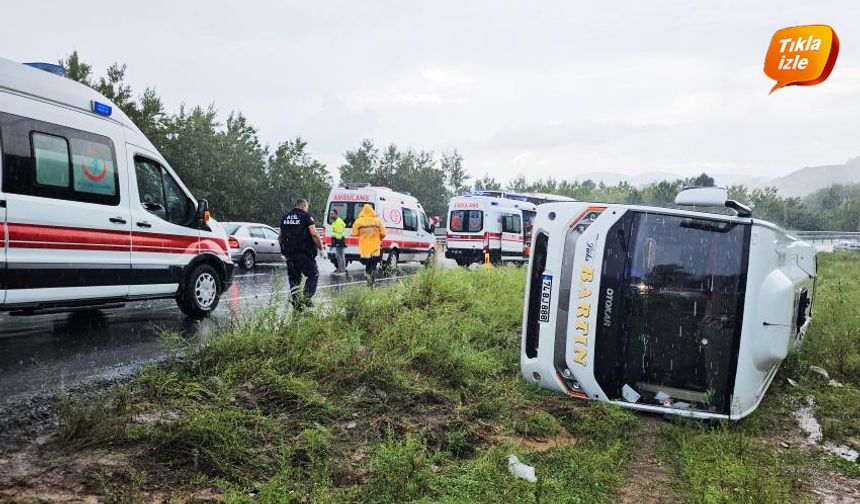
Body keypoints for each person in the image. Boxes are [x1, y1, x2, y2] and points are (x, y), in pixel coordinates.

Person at [279, 198, 323, 309]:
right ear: (303, 206)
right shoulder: (306, 217)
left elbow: (279, 236)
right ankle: (306, 298)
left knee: (294, 279)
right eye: (306, 208)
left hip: (290, 255)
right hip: (305, 254)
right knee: (313, 275)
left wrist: (284, 251)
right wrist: (321, 248)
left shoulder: (285, 217)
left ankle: (296, 302)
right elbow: (314, 235)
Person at [351, 204, 386, 284]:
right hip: (375, 247)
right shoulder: (377, 221)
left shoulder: (359, 221)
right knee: (373, 264)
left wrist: (363, 234)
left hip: (365, 248)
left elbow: (354, 233)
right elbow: (383, 233)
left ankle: (368, 278)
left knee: (368, 264)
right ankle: (371, 280)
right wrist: (378, 238)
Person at [329, 208, 347, 275]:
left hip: (339, 240)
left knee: (340, 256)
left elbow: (339, 233)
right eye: (331, 214)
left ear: (336, 214)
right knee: (338, 255)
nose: (331, 215)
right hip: (337, 240)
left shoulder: (338, 221)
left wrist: (337, 242)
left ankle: (342, 270)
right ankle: (340, 268)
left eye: (332, 214)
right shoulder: (335, 221)